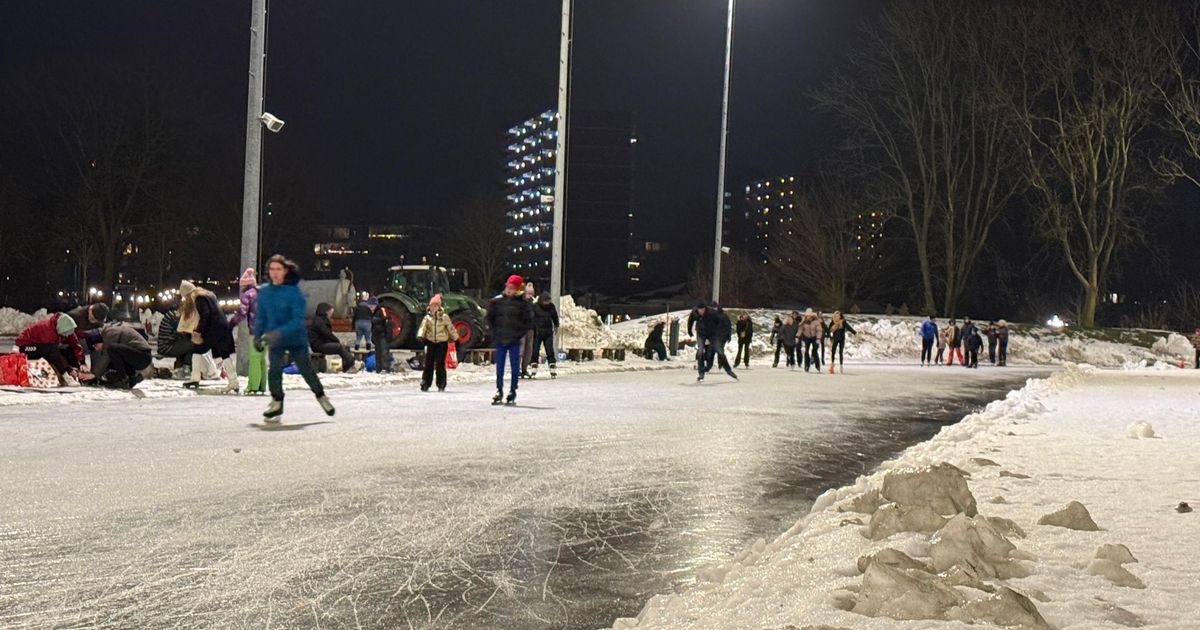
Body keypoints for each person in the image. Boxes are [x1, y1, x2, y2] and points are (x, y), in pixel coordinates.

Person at [255, 254, 334, 420]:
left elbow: (297, 320)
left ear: (285, 271)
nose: (275, 273)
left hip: (295, 339)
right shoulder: (264, 292)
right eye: (272, 269)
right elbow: (261, 316)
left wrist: (278, 333)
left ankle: (321, 396)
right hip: (274, 338)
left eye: (278, 269)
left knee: (305, 369)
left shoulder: (294, 293)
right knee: (274, 369)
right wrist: (258, 335)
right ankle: (277, 401)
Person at [178, 280, 238, 392]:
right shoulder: (207, 295)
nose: (185, 300)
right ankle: (233, 382)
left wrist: (198, 330)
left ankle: (195, 378)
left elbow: (205, 315)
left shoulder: (199, 298)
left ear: (188, 294)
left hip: (214, 329)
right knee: (224, 354)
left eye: (185, 297)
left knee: (197, 349)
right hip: (222, 326)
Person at [487, 275, 534, 404]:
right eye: (508, 286)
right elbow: (490, 318)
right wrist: (494, 332)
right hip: (500, 339)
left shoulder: (522, 304)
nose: (509, 289)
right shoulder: (497, 302)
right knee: (500, 367)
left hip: (514, 340)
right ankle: (499, 389)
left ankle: (513, 389)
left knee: (514, 367)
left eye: (512, 288)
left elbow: (528, 322)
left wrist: (519, 334)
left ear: (517, 289)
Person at [15, 312, 91, 386]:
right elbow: (53, 354)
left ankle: (78, 375)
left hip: (42, 345)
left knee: (66, 350)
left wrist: (82, 362)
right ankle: (67, 376)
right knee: (51, 350)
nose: (67, 336)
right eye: (65, 334)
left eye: (69, 333)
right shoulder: (48, 331)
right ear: (59, 330)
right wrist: (69, 369)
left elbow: (75, 345)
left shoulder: (67, 328)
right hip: (26, 347)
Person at [229, 267, 266, 394]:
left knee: (254, 358)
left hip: (255, 331)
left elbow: (242, 313)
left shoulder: (247, 295)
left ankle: (253, 386)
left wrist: (232, 323)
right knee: (261, 358)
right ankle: (262, 385)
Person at [89, 322, 152, 389]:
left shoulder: (109, 333)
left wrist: (94, 374)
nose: (96, 348)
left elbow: (106, 356)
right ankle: (131, 379)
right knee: (110, 360)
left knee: (112, 349)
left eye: (95, 345)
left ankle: (122, 379)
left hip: (143, 356)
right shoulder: (105, 335)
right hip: (135, 356)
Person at [417, 293, 458, 392]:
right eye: (431, 306)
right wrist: (421, 336)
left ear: (439, 307)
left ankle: (441, 383)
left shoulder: (444, 317)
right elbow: (423, 327)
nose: (433, 308)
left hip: (441, 343)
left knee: (440, 363)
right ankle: (425, 382)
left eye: (435, 306)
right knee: (428, 363)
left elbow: (450, 327)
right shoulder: (427, 318)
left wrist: (455, 337)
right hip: (430, 342)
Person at [308, 302, 360, 373]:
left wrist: (336, 342)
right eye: (330, 312)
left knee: (345, 347)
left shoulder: (322, 320)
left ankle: (349, 367)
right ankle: (353, 363)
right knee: (338, 347)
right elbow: (327, 334)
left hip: (322, 343)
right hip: (318, 346)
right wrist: (337, 341)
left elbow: (327, 335)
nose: (331, 314)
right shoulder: (318, 321)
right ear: (325, 312)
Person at [530, 291, 560, 377]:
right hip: (538, 332)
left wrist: (556, 325)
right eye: (545, 301)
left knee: (549, 349)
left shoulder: (551, 306)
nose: (547, 303)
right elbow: (531, 318)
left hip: (548, 332)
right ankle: (534, 366)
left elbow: (554, 316)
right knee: (535, 350)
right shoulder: (535, 306)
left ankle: (552, 366)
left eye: (548, 301)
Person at [688, 302, 718, 381]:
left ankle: (707, 367)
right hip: (701, 334)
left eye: (702, 310)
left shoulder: (712, 313)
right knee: (700, 352)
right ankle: (701, 374)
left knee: (710, 354)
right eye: (699, 310)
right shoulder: (695, 312)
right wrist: (689, 331)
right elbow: (690, 320)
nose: (701, 312)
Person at [368, 297, 393, 373]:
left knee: (384, 352)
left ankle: (385, 368)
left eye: (371, 305)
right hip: (377, 335)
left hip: (383, 335)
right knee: (378, 352)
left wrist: (388, 334)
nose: (370, 307)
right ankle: (378, 368)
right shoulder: (374, 312)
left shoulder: (382, 310)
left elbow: (388, 322)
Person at [519, 281, 537, 379]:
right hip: (522, 329)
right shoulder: (521, 303)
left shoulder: (534, 304)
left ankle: (524, 369)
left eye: (531, 294)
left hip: (531, 329)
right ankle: (517, 369)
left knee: (528, 350)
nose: (530, 296)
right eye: (528, 293)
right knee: (520, 350)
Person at [799, 309, 823, 373]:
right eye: (807, 316)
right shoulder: (804, 321)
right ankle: (806, 366)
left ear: (812, 316)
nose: (808, 317)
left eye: (809, 316)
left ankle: (817, 365)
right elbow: (800, 330)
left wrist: (818, 338)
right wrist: (797, 336)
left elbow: (819, 330)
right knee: (806, 351)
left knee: (814, 351)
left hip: (814, 337)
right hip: (807, 337)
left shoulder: (816, 321)